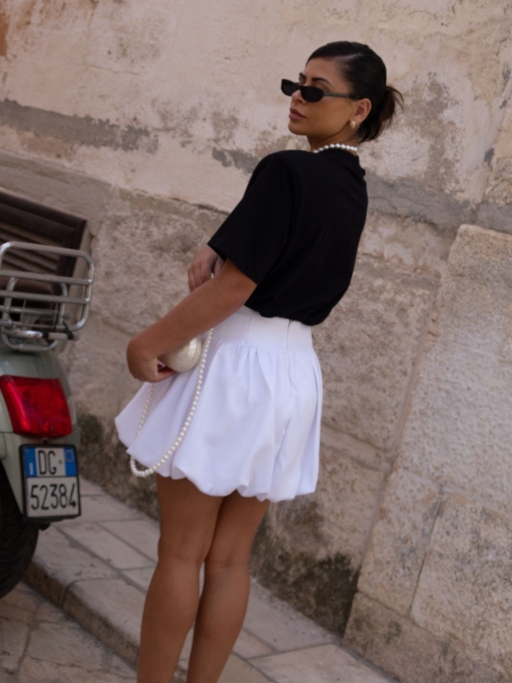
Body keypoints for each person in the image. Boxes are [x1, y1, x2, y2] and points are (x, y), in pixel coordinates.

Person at [115, 40, 403, 683]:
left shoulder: (286, 170)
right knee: (229, 560)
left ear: (358, 109)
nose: (297, 97)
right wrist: (219, 242)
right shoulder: (350, 186)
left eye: (315, 89)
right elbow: (275, 247)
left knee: (181, 552)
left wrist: (146, 343)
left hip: (236, 364)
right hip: (291, 372)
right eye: (295, 84)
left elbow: (234, 288)